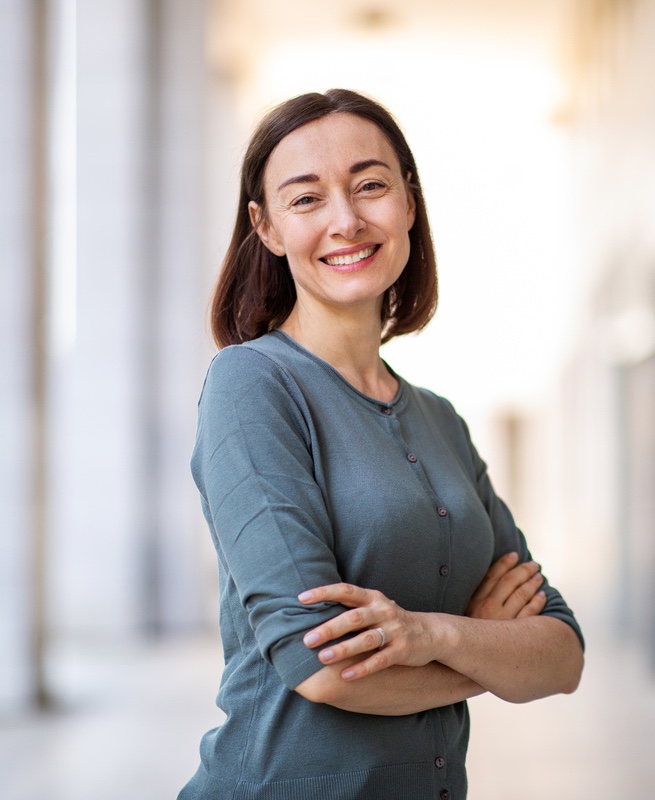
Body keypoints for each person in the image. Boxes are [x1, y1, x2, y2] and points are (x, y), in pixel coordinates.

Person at [177, 89, 584, 800]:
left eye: (370, 186)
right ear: (266, 227)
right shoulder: (252, 385)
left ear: (409, 202)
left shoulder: (440, 420)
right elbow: (322, 666)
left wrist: (433, 636)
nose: (346, 220)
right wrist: (486, 649)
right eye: (306, 199)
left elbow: (561, 655)